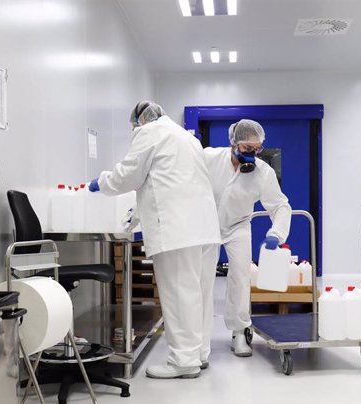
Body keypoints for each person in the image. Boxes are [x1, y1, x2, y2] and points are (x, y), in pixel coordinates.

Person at [88, 101, 221, 379]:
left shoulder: (150, 133)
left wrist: (102, 181)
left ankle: (183, 361)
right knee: (199, 292)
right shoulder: (186, 137)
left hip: (178, 230)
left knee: (178, 292)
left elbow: (129, 176)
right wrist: (137, 214)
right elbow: (166, 181)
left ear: (141, 121)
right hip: (204, 227)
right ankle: (198, 353)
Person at [204, 120, 292, 357]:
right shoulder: (210, 158)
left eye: (257, 149)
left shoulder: (263, 172)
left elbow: (280, 205)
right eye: (247, 148)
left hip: (238, 225)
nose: (252, 154)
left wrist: (276, 233)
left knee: (241, 275)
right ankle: (200, 337)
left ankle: (239, 332)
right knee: (202, 278)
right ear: (233, 142)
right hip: (206, 225)